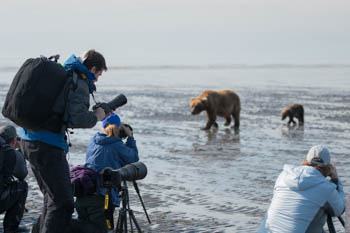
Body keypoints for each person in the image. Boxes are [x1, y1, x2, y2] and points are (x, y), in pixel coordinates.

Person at [19, 50, 108, 233]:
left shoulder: (63, 73)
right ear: (92, 68)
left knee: (51, 199)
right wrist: (96, 116)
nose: (97, 79)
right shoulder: (79, 81)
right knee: (63, 203)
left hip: (28, 140)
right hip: (47, 145)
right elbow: (77, 118)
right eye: (98, 74)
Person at [72, 113, 139, 233]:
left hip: (83, 192)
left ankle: (65, 224)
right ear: (118, 128)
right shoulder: (117, 145)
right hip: (102, 197)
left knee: (84, 226)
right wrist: (130, 137)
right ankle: (65, 225)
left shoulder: (93, 140)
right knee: (100, 230)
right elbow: (133, 159)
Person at [258, 145, 345, 233]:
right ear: (328, 167)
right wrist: (335, 179)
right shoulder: (325, 187)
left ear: (306, 161)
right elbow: (339, 210)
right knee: (322, 208)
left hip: (265, 230)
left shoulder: (283, 176)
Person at [0, 125, 28, 233]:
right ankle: (11, 228)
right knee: (22, 186)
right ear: (13, 141)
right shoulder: (10, 152)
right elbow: (22, 174)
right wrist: (20, 151)